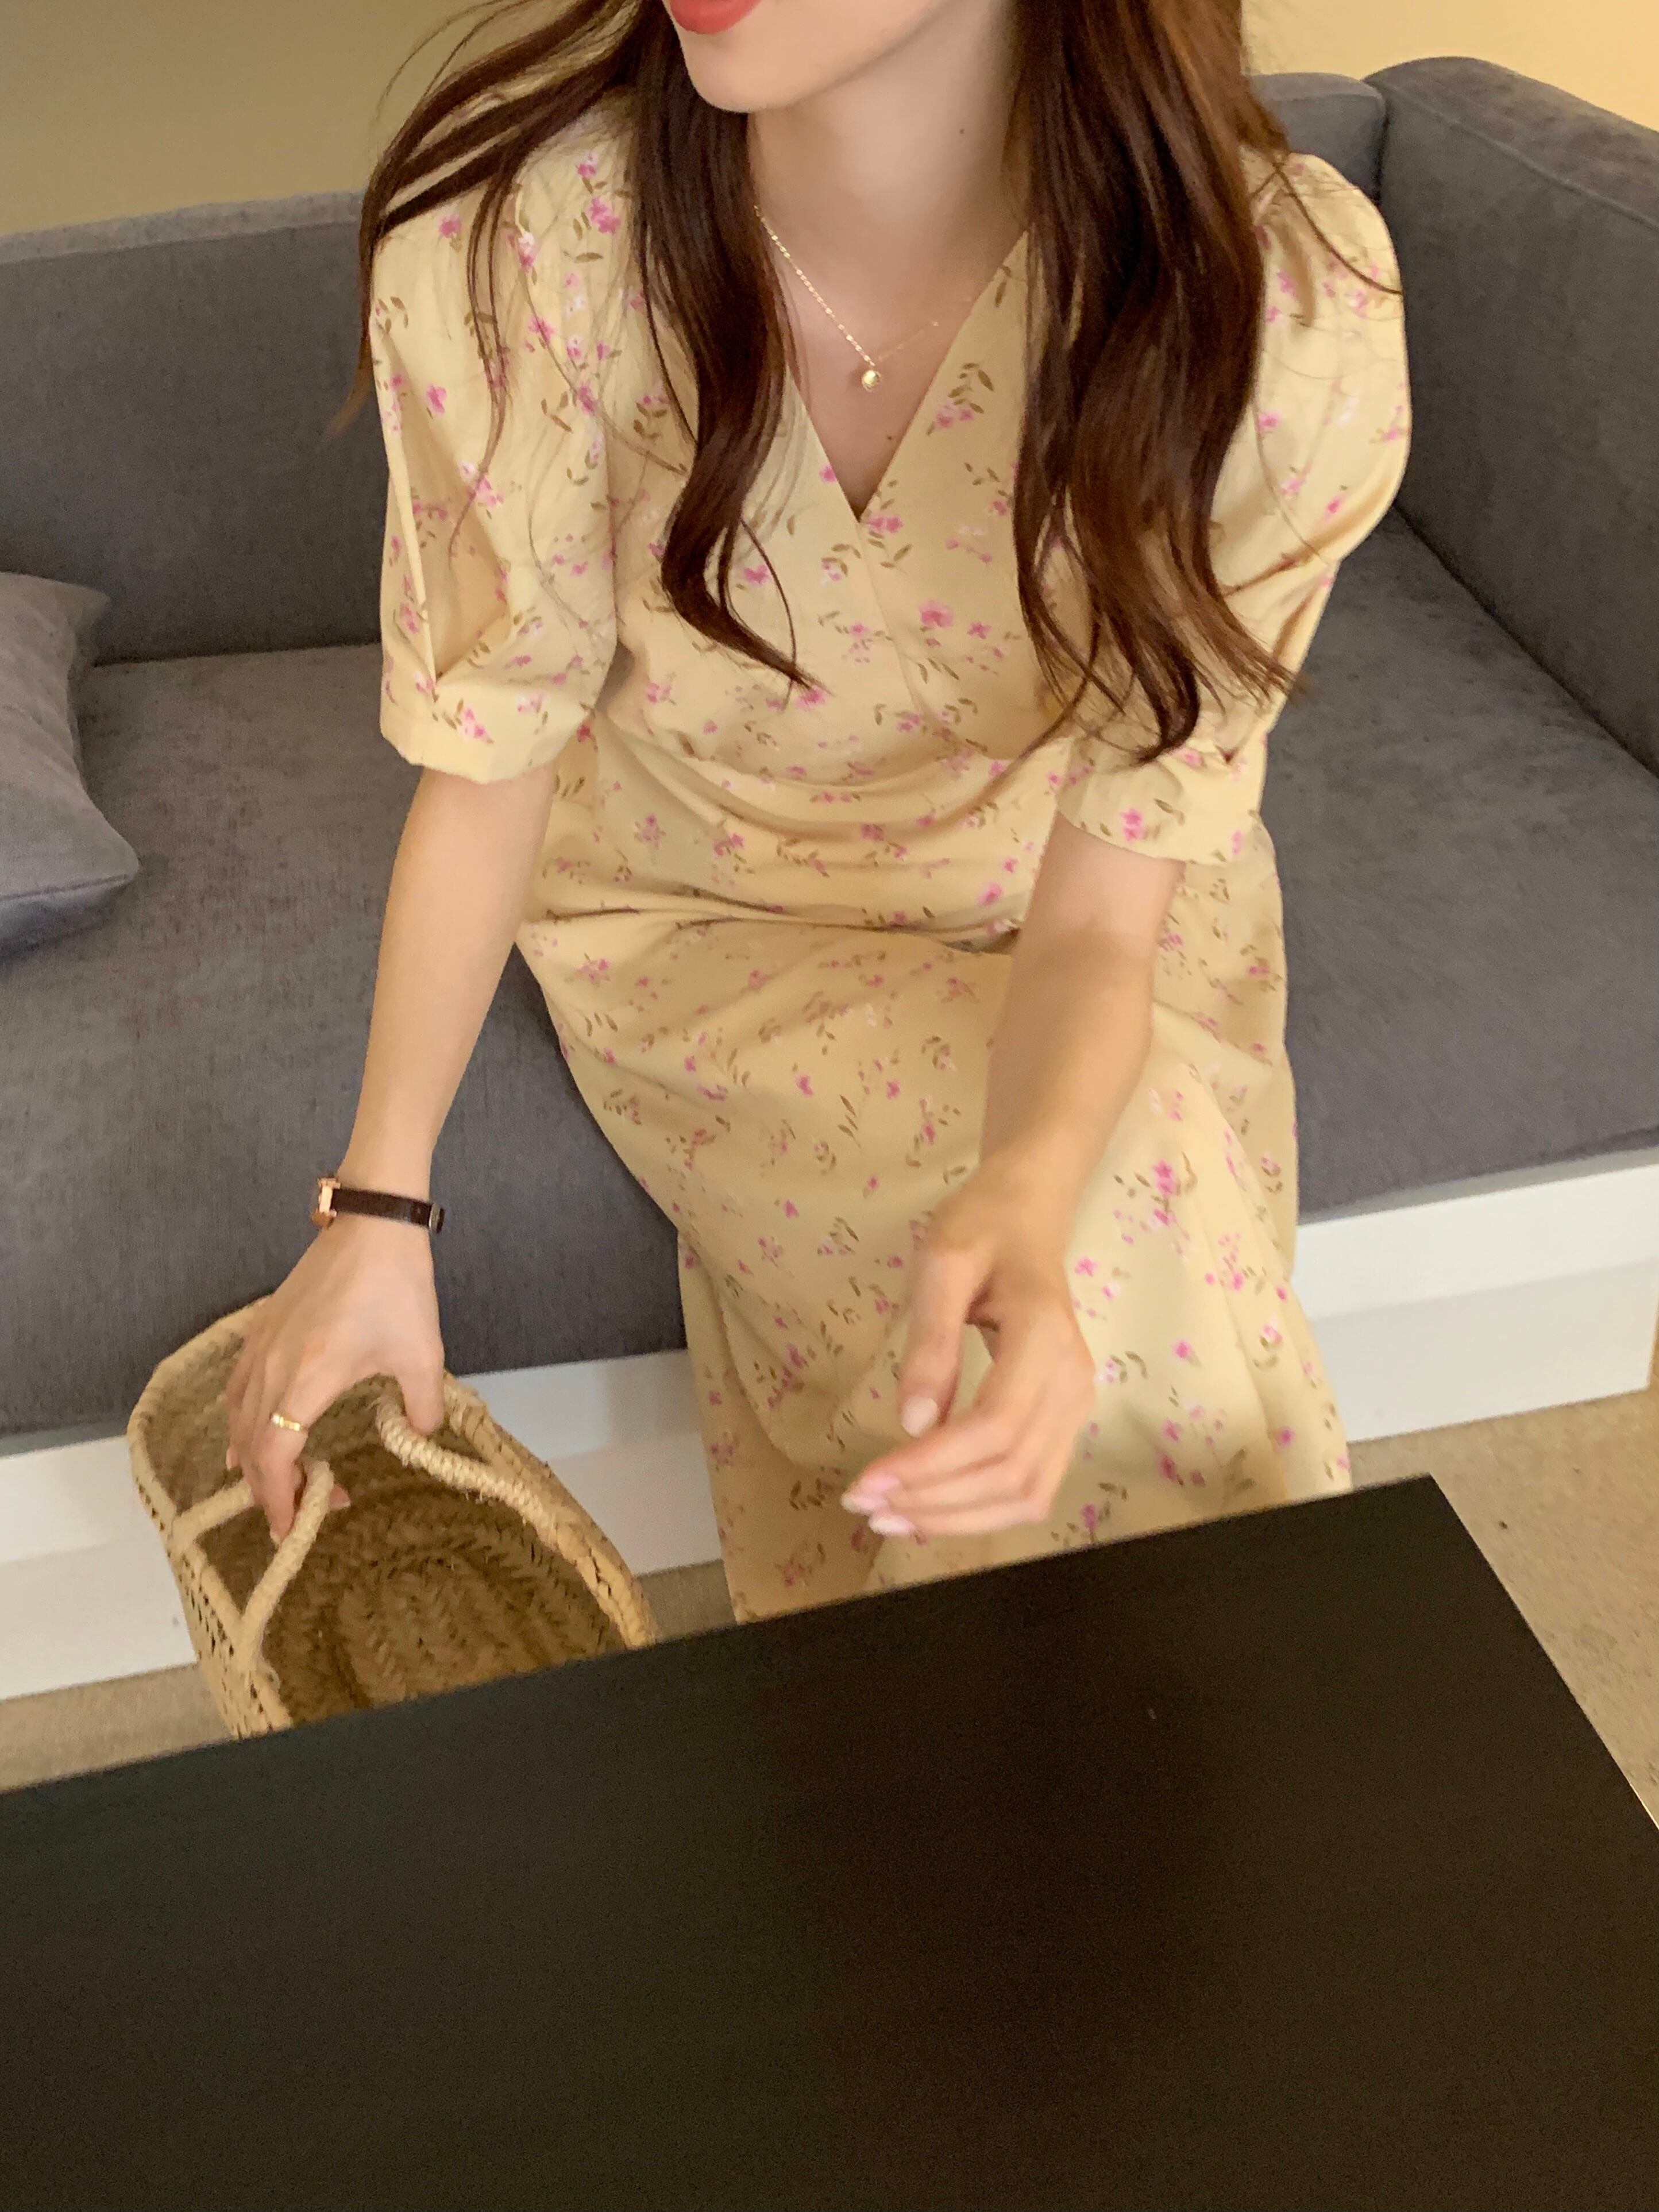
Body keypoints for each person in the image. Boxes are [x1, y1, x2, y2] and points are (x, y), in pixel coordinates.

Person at [223, 0, 1410, 1622]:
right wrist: (376, 1207)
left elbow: (1102, 912)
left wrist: (1032, 1180)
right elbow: (491, 767)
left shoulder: (1269, 305)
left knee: (1112, 1226)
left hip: (1082, 914)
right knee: (1125, 1280)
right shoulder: (540, 255)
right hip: (704, 920)